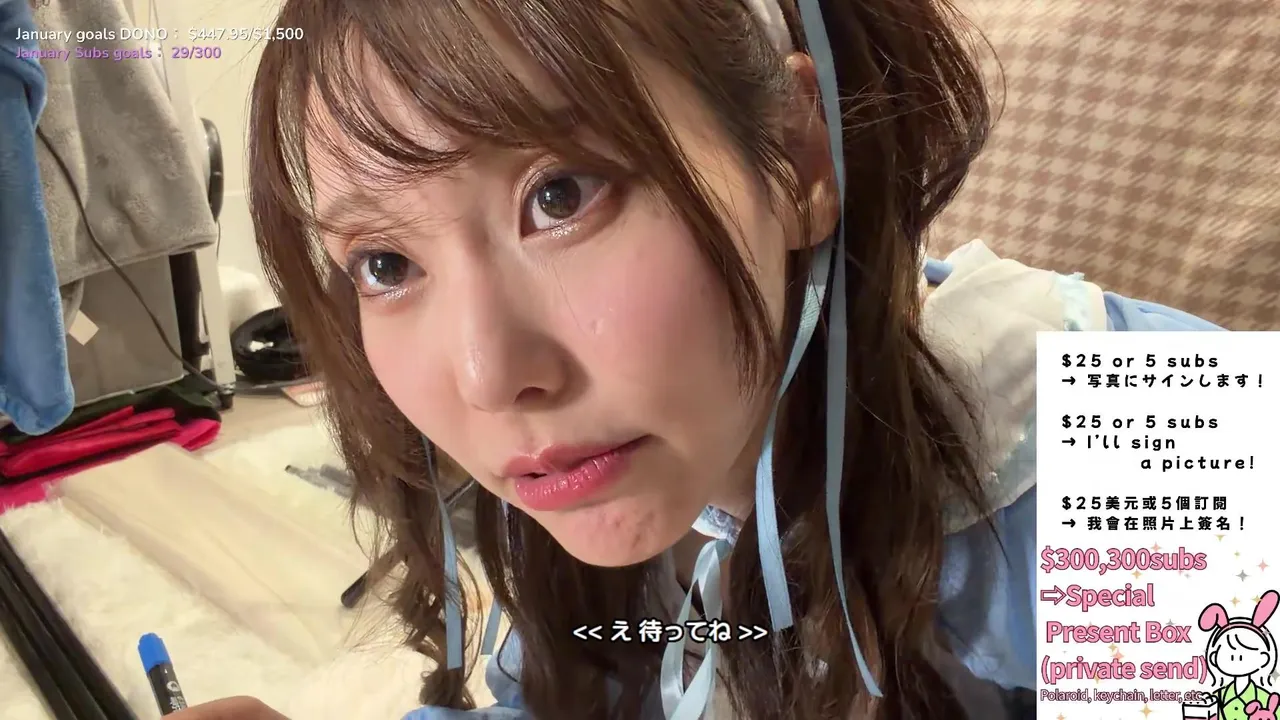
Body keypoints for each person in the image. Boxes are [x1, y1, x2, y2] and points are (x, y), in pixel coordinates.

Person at [173, 0, 1221, 717]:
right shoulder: (593, 463)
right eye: (386, 263)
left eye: (559, 196)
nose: (486, 377)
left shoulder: (1148, 458)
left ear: (797, 157)